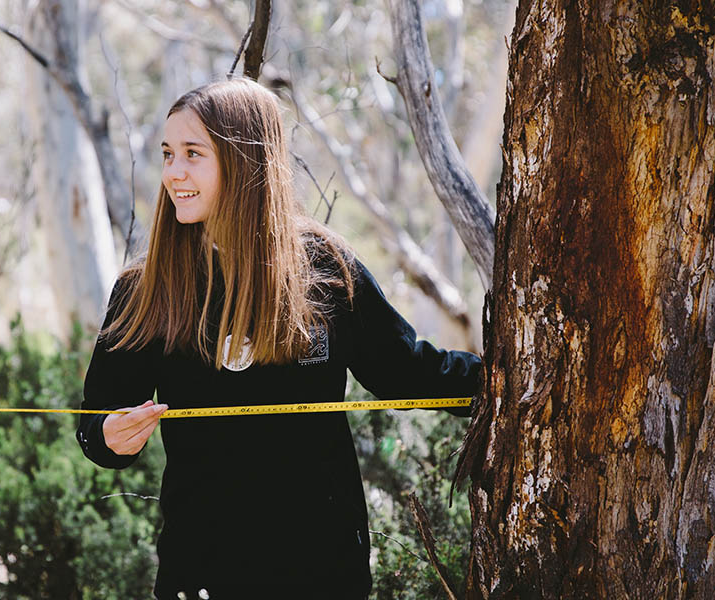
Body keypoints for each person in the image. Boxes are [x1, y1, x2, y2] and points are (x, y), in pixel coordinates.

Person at [76, 78, 481, 600]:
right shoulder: (148, 286)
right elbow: (94, 422)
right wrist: (108, 438)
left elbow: (405, 370)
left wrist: (504, 382)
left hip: (324, 570)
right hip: (201, 573)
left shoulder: (326, 268)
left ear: (244, 161)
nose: (174, 173)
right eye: (168, 154)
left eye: (193, 154)